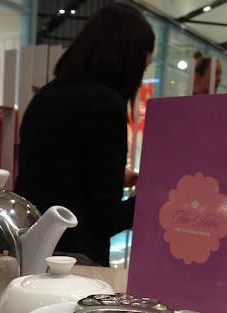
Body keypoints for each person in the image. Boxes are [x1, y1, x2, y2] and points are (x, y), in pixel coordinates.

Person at [14, 3, 155, 266]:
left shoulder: (47, 95)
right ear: (128, 62)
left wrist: (113, 175)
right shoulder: (105, 105)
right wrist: (156, 194)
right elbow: (107, 219)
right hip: (73, 264)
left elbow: (55, 172)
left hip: (28, 252)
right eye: (142, 68)